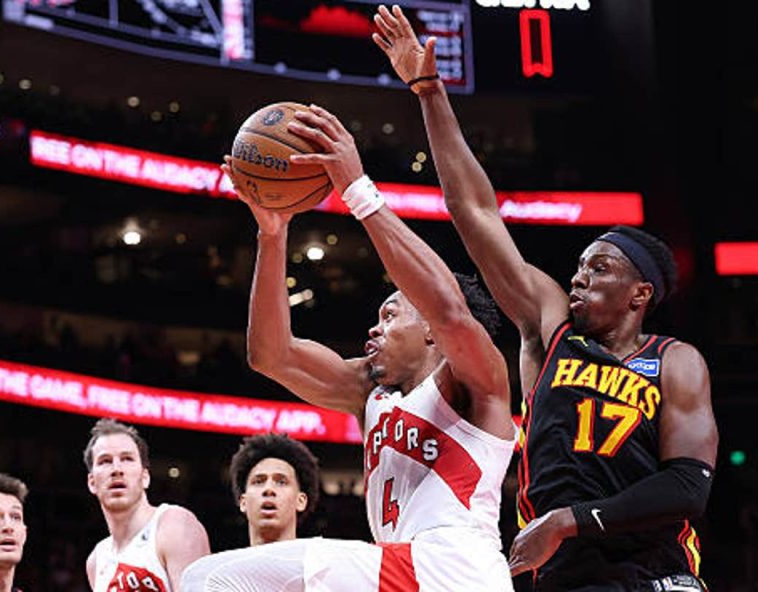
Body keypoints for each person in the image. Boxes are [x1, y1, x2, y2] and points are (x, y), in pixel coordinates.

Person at [372, 5, 719, 590]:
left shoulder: (673, 360)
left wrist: (569, 520)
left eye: (600, 267)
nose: (579, 276)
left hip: (656, 571)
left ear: (640, 293)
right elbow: (473, 211)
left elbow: (689, 487)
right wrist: (429, 92)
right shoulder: (551, 330)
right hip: (560, 574)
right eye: (579, 265)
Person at [181, 103, 516, 590]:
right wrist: (272, 235)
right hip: (401, 572)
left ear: (429, 332)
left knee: (209, 579)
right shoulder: (370, 392)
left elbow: (448, 309)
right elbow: (270, 355)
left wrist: (358, 190)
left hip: (453, 569)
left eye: (390, 314)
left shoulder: (475, 382)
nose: (373, 330)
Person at [84, 418, 210, 591]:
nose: (116, 469)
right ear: (92, 482)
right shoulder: (96, 560)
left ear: (145, 477)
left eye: (127, 458)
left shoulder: (174, 524)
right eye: (105, 461)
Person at [230, 432, 321, 546]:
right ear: (243, 501)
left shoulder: (319, 563)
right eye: (258, 482)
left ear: (301, 501)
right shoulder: (221, 563)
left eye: (281, 482)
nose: (268, 489)